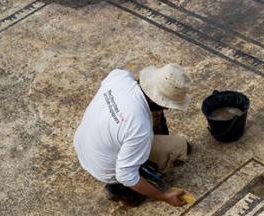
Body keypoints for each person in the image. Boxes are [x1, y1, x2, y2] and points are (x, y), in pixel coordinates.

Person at [73, 64, 193, 207]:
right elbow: (126, 175)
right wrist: (164, 196)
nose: (168, 108)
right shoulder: (139, 126)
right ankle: (121, 189)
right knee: (181, 147)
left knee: (139, 132)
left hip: (85, 148)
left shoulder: (120, 76)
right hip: (107, 169)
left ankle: (128, 175)